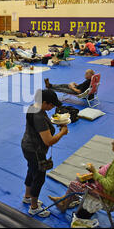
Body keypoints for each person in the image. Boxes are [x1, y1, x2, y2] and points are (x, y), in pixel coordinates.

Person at [48, 132, 114, 219]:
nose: (112, 144)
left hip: (105, 196)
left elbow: (109, 186)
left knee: (74, 184)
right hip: (111, 190)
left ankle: (64, 204)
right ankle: (64, 200)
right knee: (81, 178)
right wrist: (106, 170)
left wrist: (95, 173)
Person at [22, 89, 69, 217]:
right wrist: (62, 132)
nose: (52, 107)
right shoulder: (38, 116)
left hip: (27, 146)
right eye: (51, 105)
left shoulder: (34, 107)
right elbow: (48, 141)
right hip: (35, 151)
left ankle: (27, 196)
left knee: (31, 170)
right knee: (39, 177)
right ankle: (34, 207)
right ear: (44, 102)